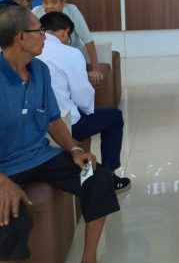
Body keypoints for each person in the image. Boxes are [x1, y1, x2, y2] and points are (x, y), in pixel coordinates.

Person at [0, 6, 120, 263]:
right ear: (19, 37)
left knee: (97, 178)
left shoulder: (40, 70)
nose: (45, 37)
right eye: (39, 31)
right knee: (11, 214)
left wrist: (75, 150)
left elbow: (53, 119)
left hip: (41, 156)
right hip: (5, 167)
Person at [37, 11, 131, 193]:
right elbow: (83, 96)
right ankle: (110, 177)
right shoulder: (70, 53)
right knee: (113, 117)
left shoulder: (29, 53)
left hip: (36, 124)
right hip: (64, 123)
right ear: (65, 32)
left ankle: (90, 178)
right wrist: (88, 112)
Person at [31, 0, 104, 86]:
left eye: (54, 2)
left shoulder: (72, 10)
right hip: (46, 56)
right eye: (45, 2)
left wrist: (96, 69)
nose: (49, 6)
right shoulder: (36, 12)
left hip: (72, 57)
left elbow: (88, 39)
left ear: (63, 2)